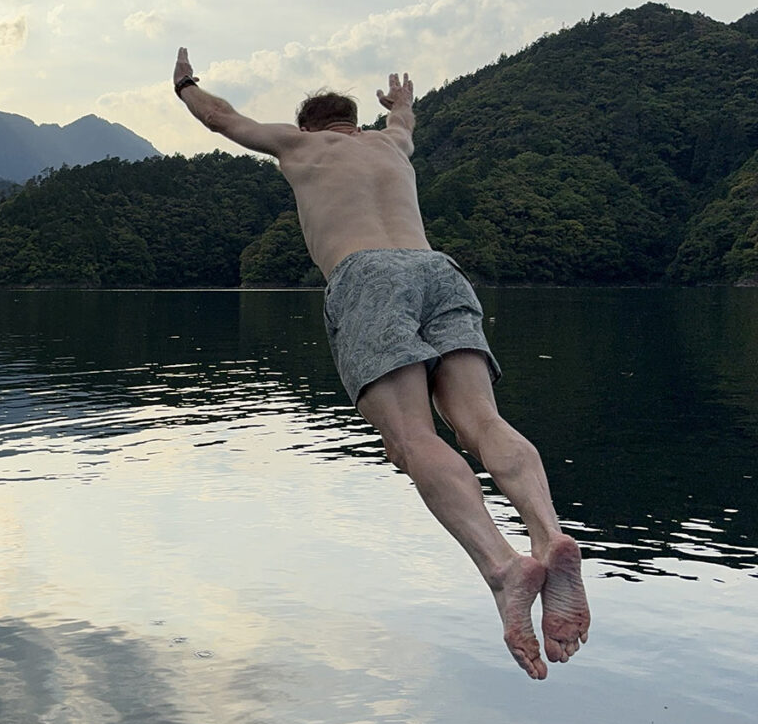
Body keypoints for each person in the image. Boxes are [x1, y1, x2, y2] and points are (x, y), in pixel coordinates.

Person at [173, 48, 589, 679]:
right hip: (437, 269)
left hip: (366, 277)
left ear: (311, 125)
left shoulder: (300, 145)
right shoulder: (391, 146)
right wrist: (401, 106)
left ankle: (505, 569)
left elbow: (223, 119)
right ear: (355, 122)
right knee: (481, 421)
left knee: (413, 438)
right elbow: (405, 124)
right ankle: (548, 531)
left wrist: (185, 85)